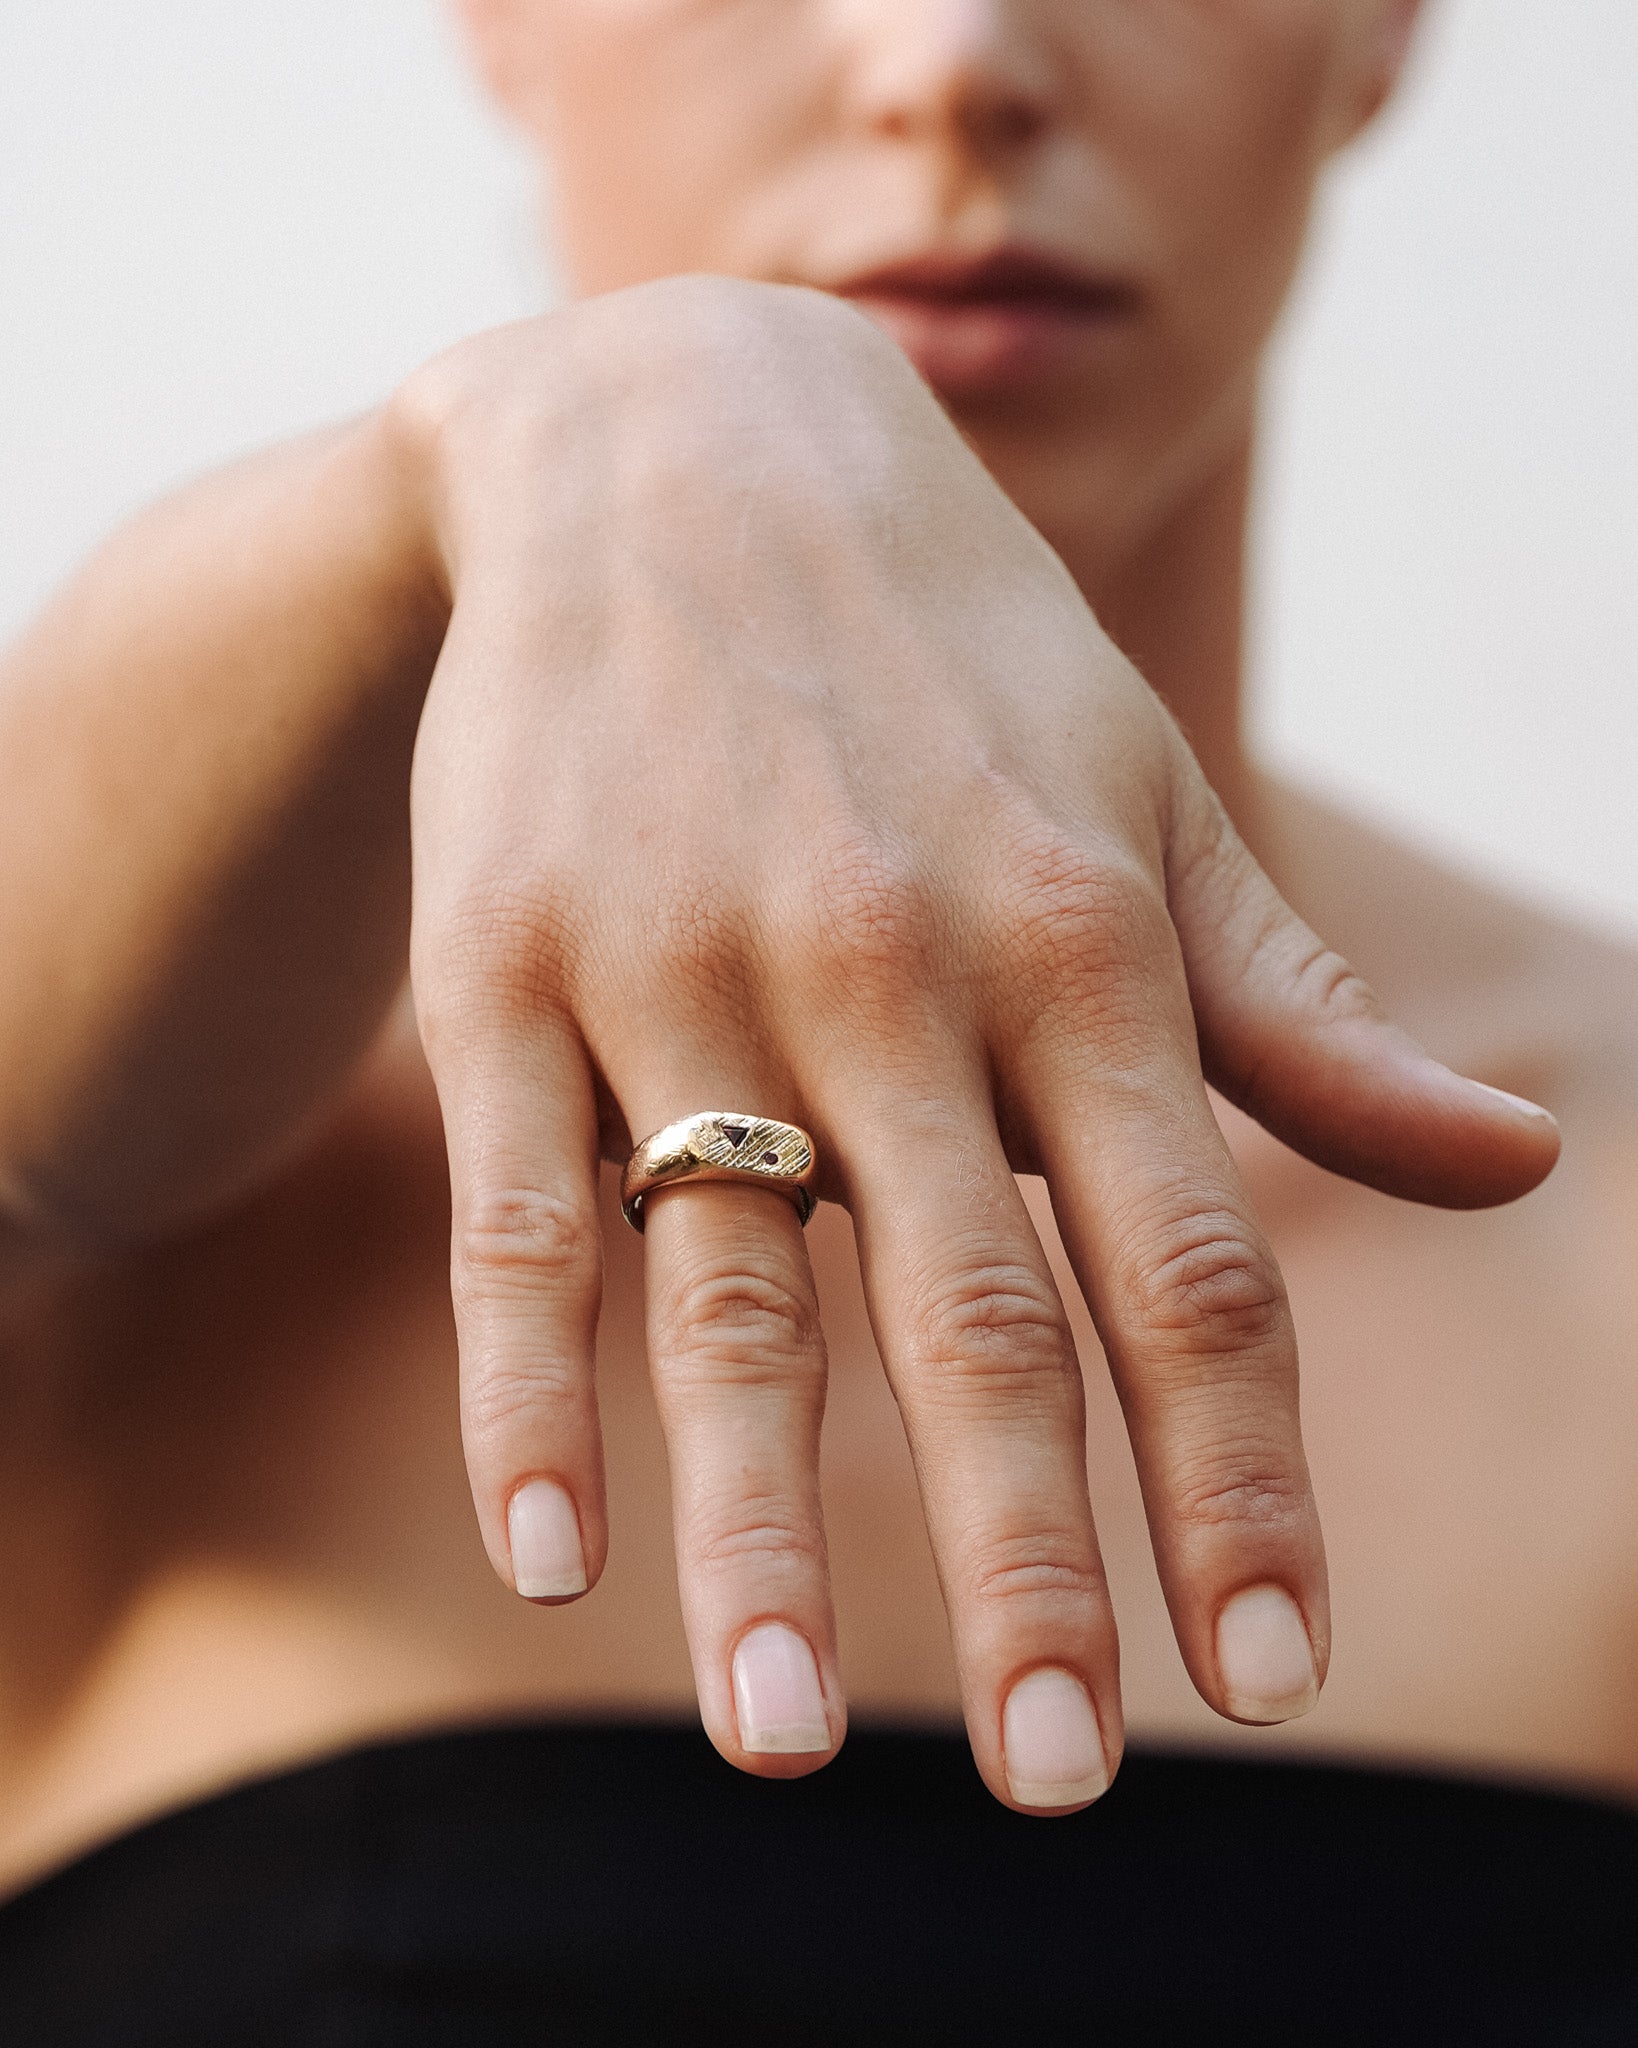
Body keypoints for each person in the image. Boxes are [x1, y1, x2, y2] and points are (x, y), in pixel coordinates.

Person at [1, 0, 1634, 2038]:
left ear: (1382, 26)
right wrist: (581, 419)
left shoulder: (1612, 1226)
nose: (948, 58)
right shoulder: (169, 1172)